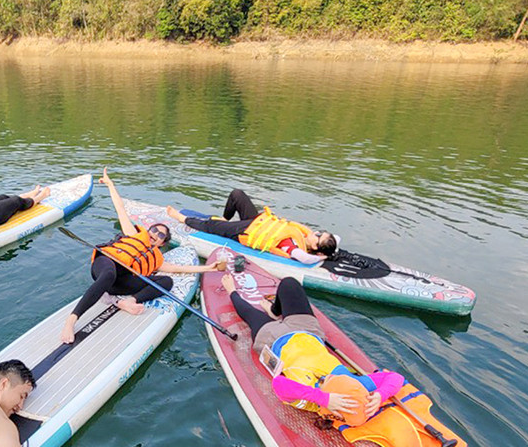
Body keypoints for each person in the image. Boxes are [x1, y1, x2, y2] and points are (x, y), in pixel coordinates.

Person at [59, 169, 226, 345]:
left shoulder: (157, 259)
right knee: (109, 274)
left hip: (120, 283)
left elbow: (178, 269)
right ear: (148, 231)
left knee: (166, 282)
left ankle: (129, 302)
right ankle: (71, 321)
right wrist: (110, 185)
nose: (155, 235)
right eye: (154, 230)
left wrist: (208, 267)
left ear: (162, 244)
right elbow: (120, 208)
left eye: (161, 235)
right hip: (106, 265)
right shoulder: (133, 233)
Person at [222, 273, 404, 426]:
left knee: (249, 314)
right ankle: (274, 311)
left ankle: (232, 291)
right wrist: (380, 395)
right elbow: (395, 378)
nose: (332, 375)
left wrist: (323, 399)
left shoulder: (309, 398)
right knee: (289, 283)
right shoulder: (356, 387)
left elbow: (280, 385)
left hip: (273, 338)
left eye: (330, 380)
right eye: (340, 377)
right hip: (307, 330)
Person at [164, 188, 337, 264]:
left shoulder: (293, 247)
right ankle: (226, 219)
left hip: (245, 232)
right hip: (256, 221)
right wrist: (331, 250)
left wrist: (324, 257)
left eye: (318, 236)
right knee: (236, 195)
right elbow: (336, 239)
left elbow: (307, 259)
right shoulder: (303, 235)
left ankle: (181, 218)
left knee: (210, 224)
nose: (316, 232)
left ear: (315, 247)